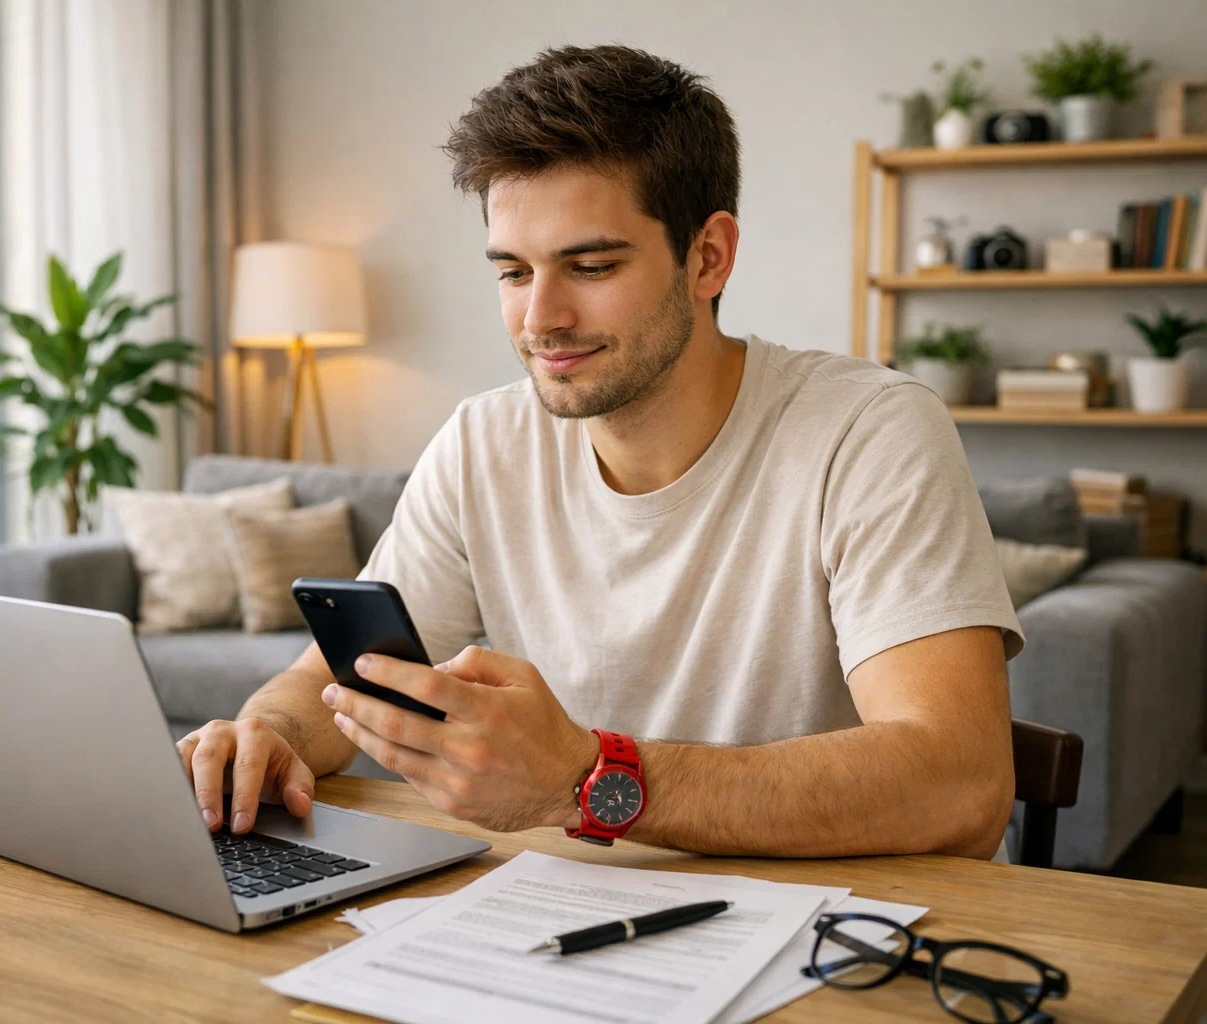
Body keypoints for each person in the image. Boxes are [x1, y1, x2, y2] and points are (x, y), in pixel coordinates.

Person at [178, 44, 1022, 859]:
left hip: (830, 944)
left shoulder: (868, 431)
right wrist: (270, 735)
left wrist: (588, 780)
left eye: (588, 264)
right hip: (567, 924)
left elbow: (960, 785)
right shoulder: (483, 443)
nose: (541, 317)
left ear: (709, 257)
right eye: (512, 272)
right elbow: (339, 683)